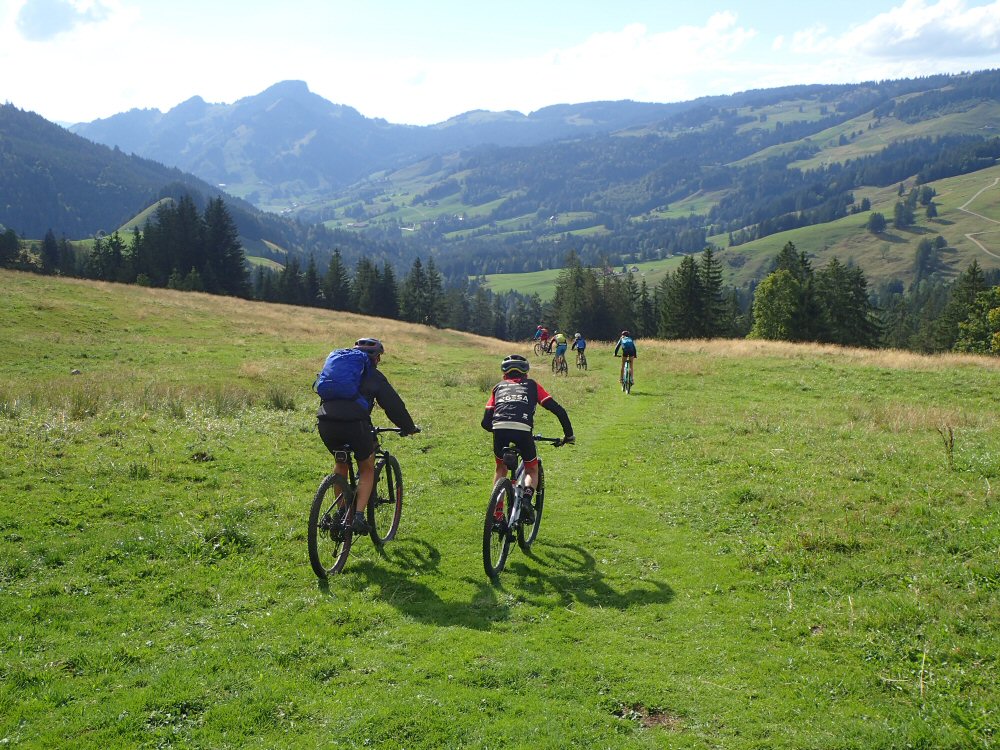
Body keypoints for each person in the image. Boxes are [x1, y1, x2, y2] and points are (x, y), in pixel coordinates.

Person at [316, 337, 419, 534]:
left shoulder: (338, 373)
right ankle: (358, 517)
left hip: (326, 423)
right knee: (367, 467)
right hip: (355, 425)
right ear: (375, 358)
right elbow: (394, 406)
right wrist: (408, 427)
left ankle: (340, 513)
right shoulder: (374, 376)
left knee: (341, 464)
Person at [481, 354, 574, 524]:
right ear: (526, 374)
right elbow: (558, 410)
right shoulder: (532, 385)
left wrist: (499, 430)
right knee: (532, 469)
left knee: (500, 468)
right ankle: (526, 499)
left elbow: (486, 422)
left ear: (504, 376)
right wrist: (568, 435)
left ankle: (497, 512)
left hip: (499, 429)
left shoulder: (498, 387)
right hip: (523, 430)